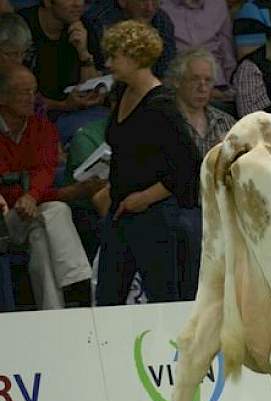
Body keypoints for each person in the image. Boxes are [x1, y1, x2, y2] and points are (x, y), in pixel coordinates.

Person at [95, 19, 197, 306]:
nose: (109, 62)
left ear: (137, 56)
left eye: (115, 56)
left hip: (156, 216)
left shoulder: (161, 105)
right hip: (121, 212)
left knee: (163, 298)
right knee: (107, 299)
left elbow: (188, 165)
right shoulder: (121, 93)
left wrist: (144, 198)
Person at [0, 63, 92, 309]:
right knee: (56, 209)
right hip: (5, 221)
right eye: (23, 92)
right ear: (2, 96)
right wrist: (38, 196)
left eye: (33, 91)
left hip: (33, 216)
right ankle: (80, 284)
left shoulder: (43, 128)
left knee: (42, 234)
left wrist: (31, 196)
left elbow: (44, 171)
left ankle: (53, 313)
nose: (30, 98)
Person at [167, 48, 236, 300]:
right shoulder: (167, 121)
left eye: (207, 81)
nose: (202, 87)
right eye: (195, 79)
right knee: (193, 228)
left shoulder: (226, 122)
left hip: (222, 205)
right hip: (182, 204)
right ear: (178, 81)